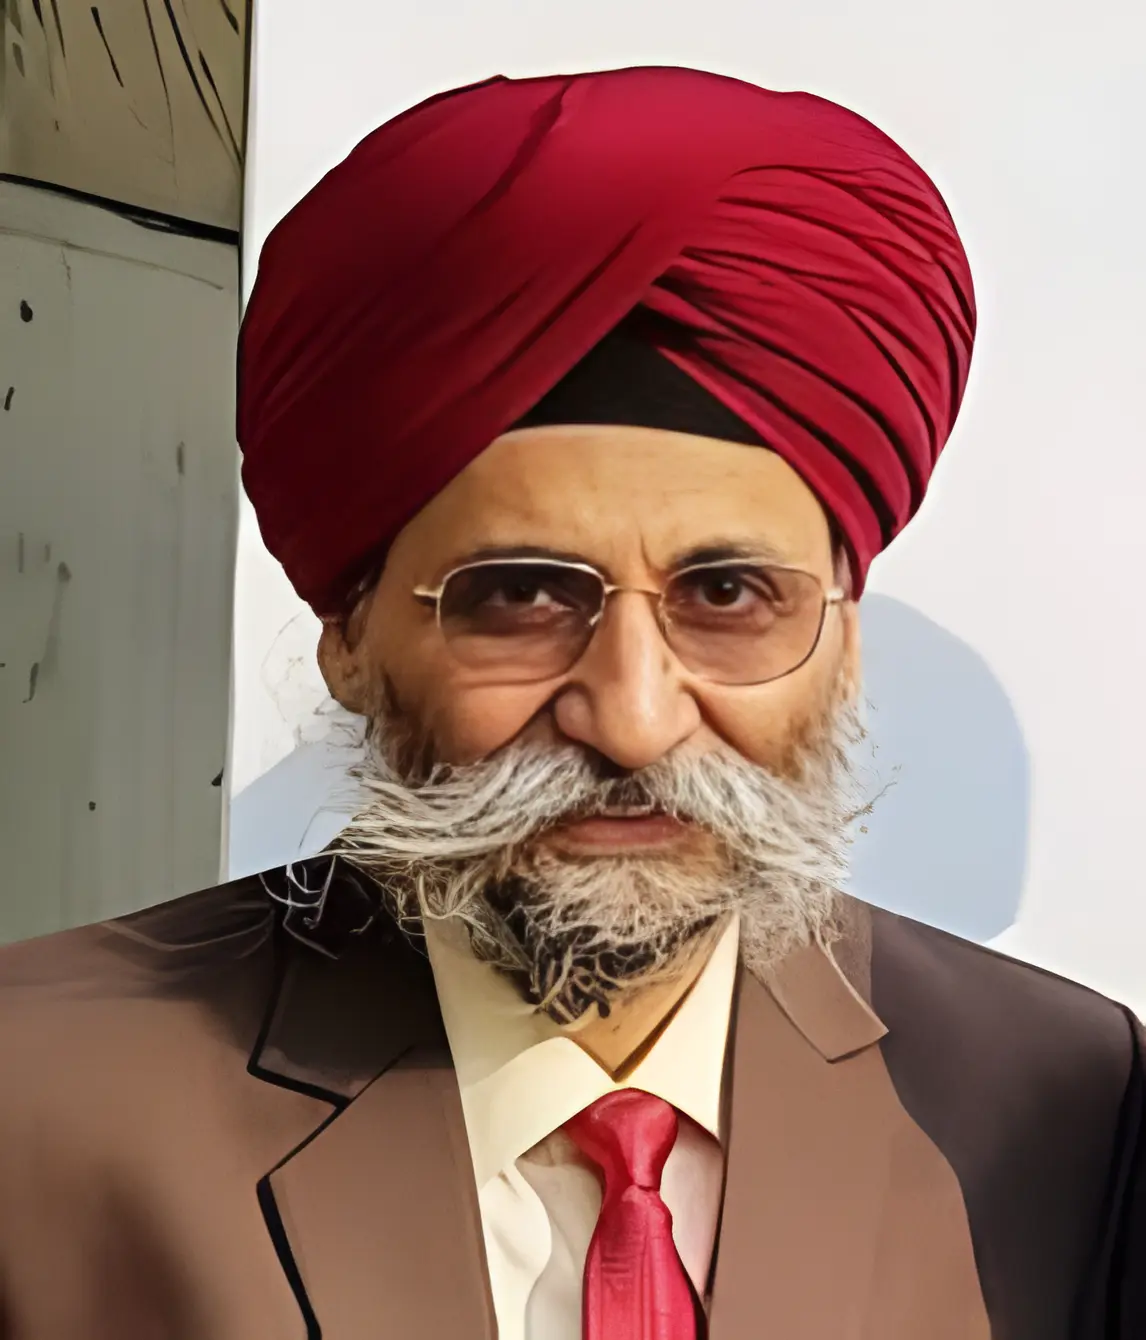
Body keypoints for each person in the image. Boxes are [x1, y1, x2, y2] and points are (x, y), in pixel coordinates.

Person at [0, 66, 1141, 1340]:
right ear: (347, 636)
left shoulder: (1064, 1108)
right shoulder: (36, 1096)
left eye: (727, 593)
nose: (634, 716)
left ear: (843, 642)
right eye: (520, 597)